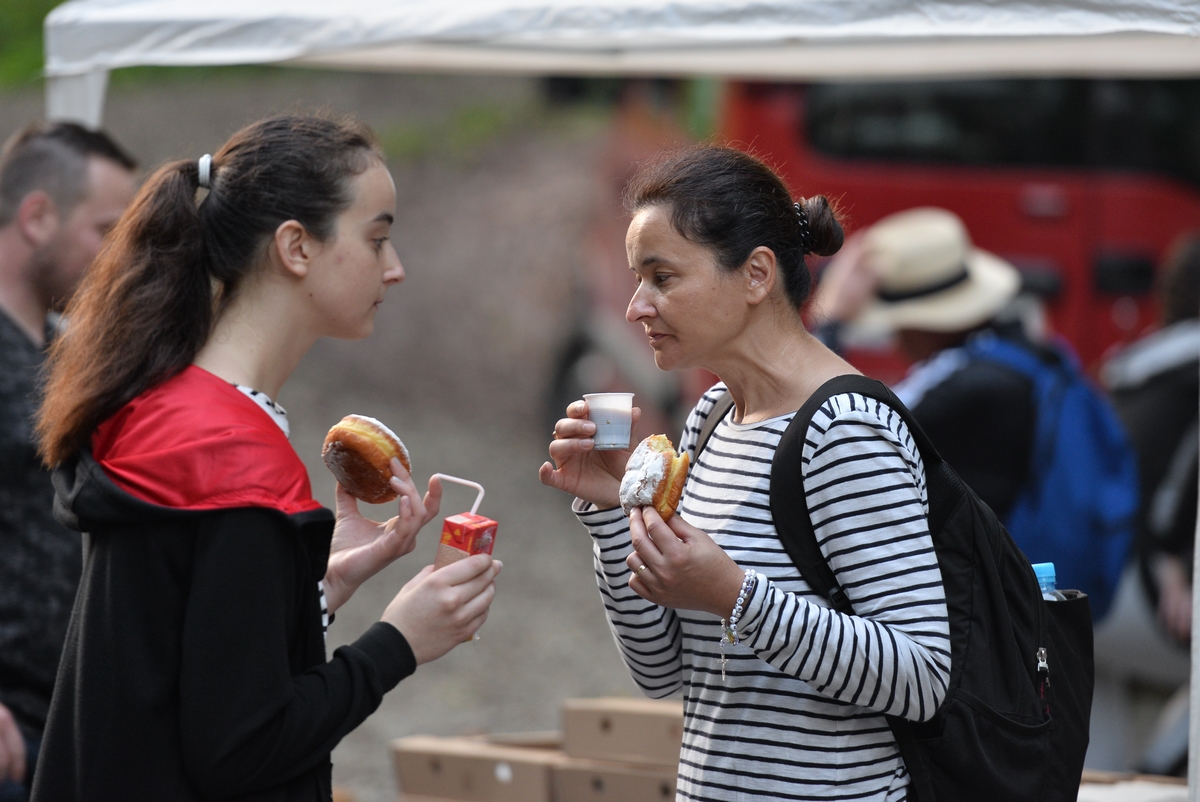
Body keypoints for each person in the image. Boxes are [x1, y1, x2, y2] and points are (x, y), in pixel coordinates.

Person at [30, 115, 501, 802]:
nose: (394, 269)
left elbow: (177, 670)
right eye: (377, 238)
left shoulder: (166, 414)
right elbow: (242, 747)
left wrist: (318, 590)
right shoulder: (233, 461)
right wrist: (399, 641)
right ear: (296, 248)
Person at [540, 145, 951, 800]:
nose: (635, 307)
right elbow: (663, 670)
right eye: (637, 279)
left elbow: (922, 678)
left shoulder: (844, 428)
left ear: (757, 274)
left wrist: (736, 594)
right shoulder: (712, 418)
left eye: (663, 278)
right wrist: (615, 515)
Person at [0, 121, 137, 801]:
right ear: (36, 218)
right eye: (105, 231)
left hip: (58, 724)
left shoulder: (64, 356)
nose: (119, 257)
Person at [809, 208, 1034, 521]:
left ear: (923, 324)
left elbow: (842, 430)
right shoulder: (1001, 354)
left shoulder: (968, 388)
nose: (894, 334)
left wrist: (829, 323)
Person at [1089, 234, 1200, 773]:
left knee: (1098, 766)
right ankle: (1164, 772)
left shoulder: (1143, 360)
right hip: (1142, 582)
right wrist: (1169, 558)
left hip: (1077, 574)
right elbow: (1184, 474)